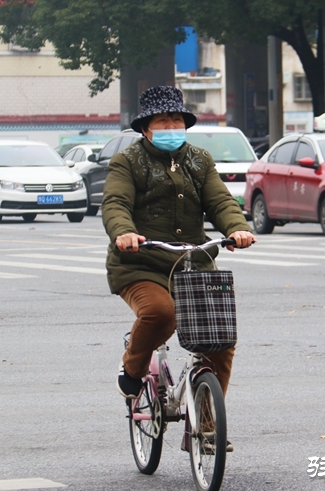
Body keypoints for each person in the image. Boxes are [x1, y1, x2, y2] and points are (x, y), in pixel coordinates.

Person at [101, 86, 256, 418]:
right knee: (161, 312)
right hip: (140, 263)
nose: (171, 128)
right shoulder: (127, 162)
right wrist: (124, 232)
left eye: (176, 121)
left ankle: (207, 422)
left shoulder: (199, 160)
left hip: (193, 261)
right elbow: (116, 203)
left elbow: (220, 200)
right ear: (145, 128)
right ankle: (132, 366)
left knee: (221, 339)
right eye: (162, 121)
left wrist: (236, 227)